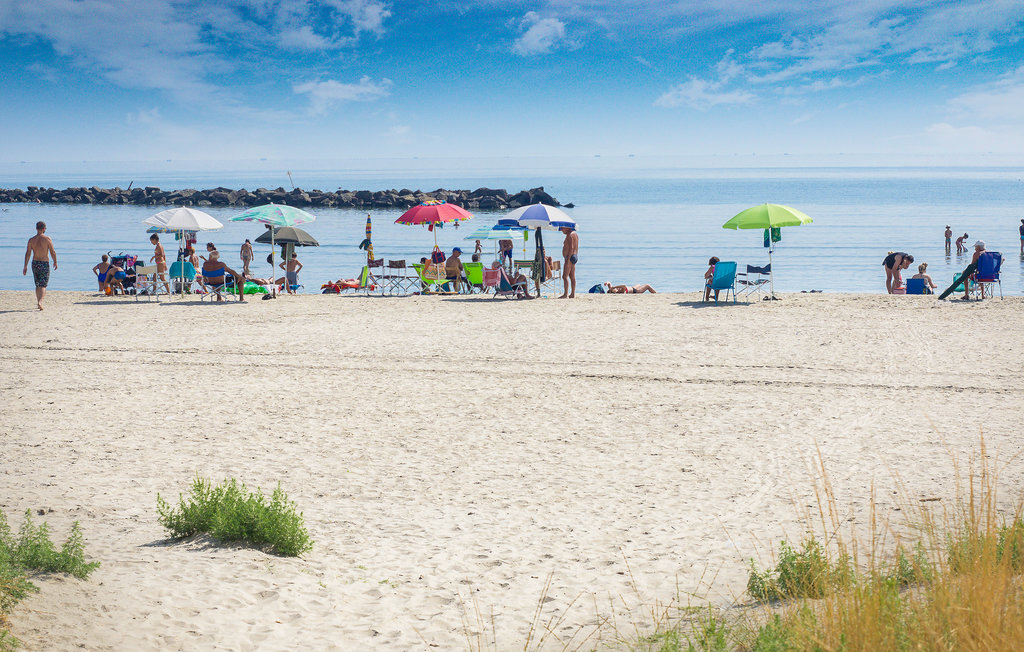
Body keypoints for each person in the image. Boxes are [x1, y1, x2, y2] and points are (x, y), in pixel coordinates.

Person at [23, 221, 57, 310]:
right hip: (44, 263)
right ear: (44, 229)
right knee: (43, 285)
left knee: (37, 284)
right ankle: (40, 302)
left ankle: (38, 302)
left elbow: (28, 253)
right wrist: (55, 262)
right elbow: (52, 251)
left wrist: (25, 266)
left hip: (35, 263)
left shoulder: (31, 240)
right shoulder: (47, 239)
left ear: (36, 228)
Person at [558, 226, 578, 299]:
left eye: (562, 228)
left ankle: (565, 294)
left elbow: (571, 247)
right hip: (574, 256)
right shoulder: (575, 234)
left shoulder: (570, 235)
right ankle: (572, 293)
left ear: (567, 227)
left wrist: (568, 259)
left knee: (564, 276)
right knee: (572, 276)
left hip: (570, 257)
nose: (561, 230)